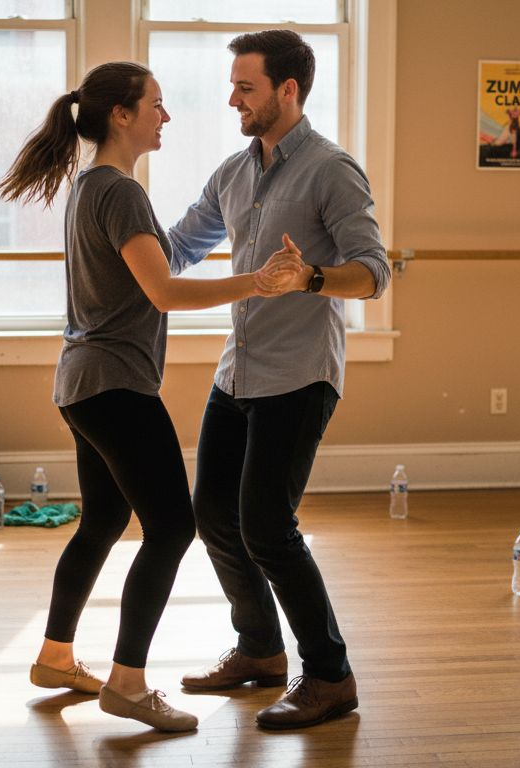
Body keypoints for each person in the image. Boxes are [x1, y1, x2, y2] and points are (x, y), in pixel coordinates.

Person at [0, 61, 302, 733]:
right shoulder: (122, 192)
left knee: (104, 521)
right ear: (121, 116)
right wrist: (257, 282)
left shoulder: (89, 186)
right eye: (156, 105)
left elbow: (158, 268)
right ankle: (128, 684)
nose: (167, 116)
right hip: (114, 388)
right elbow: (162, 291)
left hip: (80, 383)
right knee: (173, 526)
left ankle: (54, 657)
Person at [167, 31, 391, 729]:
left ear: (287, 91)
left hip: (300, 375)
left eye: (246, 87)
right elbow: (175, 246)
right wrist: (104, 231)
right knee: (213, 517)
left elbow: (375, 273)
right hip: (238, 372)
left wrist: (314, 276)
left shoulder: (331, 170)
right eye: (234, 85)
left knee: (266, 525)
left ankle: (330, 675)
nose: (232, 98)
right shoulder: (234, 173)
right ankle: (260, 650)